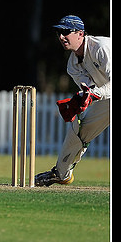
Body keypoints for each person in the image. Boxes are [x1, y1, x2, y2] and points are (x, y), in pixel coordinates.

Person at [35, 15, 110, 186]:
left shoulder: (101, 48)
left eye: (66, 32)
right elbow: (90, 90)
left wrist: (94, 94)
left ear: (80, 34)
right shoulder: (72, 65)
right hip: (108, 98)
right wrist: (81, 99)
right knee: (80, 128)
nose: (61, 37)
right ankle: (61, 174)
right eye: (59, 32)